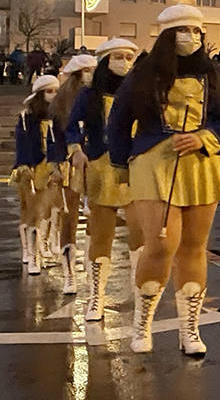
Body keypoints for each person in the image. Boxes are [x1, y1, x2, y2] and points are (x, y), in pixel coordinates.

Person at [108, 4, 220, 356]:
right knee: (161, 245)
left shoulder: (215, 75)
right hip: (155, 163)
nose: (192, 37)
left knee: (195, 247)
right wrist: (121, 164)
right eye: (184, 31)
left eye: (197, 32)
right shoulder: (143, 74)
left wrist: (204, 138)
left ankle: (190, 330)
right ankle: (143, 323)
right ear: (168, 35)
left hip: (201, 165)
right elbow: (119, 122)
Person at [65, 39, 144, 320]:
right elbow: (71, 127)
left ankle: (141, 292)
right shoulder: (89, 95)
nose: (124, 62)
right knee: (101, 234)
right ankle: (96, 296)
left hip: (135, 167)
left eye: (129, 57)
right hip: (101, 166)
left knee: (140, 232)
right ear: (106, 61)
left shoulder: (139, 92)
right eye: (119, 57)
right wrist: (76, 151)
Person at [48, 54, 98, 295]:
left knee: (96, 220)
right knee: (69, 221)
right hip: (70, 165)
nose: (91, 75)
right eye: (87, 71)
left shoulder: (96, 97)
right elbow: (56, 137)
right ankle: (69, 274)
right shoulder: (60, 103)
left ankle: (92, 272)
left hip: (95, 163)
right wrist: (57, 164)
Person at [13, 74, 63, 275]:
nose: (53, 95)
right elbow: (22, 143)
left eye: (56, 91)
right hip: (31, 167)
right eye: (49, 91)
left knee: (51, 209)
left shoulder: (58, 117)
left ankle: (42, 245)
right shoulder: (27, 118)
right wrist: (24, 165)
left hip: (50, 168)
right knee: (30, 211)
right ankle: (30, 252)